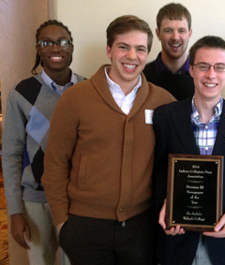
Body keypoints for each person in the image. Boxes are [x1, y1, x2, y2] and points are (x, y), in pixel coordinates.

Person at [41, 15, 175, 265]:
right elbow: (55, 164)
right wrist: (62, 224)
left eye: (140, 49)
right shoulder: (75, 99)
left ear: (147, 54)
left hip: (140, 228)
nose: (132, 56)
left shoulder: (163, 101)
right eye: (124, 47)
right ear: (109, 50)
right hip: (84, 227)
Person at [153, 35, 225, 265]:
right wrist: (165, 207)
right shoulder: (165, 117)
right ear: (191, 69)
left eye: (219, 67)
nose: (211, 75)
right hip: (177, 241)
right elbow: (159, 172)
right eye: (203, 66)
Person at [2, 20, 85, 265]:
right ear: (38, 49)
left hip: (78, 200)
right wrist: (15, 211)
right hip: (36, 201)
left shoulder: (89, 89)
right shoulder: (21, 93)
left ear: (71, 47)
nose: (55, 48)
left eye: (62, 42)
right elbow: (11, 155)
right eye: (47, 42)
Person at [144, 2, 225, 119]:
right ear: (158, 34)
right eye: (168, 30)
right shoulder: (143, 77)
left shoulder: (203, 77)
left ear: (190, 33)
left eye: (181, 30)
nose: (175, 37)